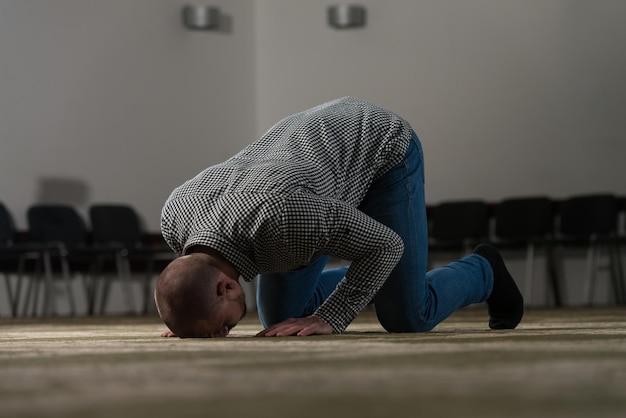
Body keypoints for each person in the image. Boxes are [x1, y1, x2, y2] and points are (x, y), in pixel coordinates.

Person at [154, 97, 523, 338]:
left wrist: (331, 317)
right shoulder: (175, 216)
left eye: (220, 329)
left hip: (380, 146)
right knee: (282, 319)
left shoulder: (286, 221)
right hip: (304, 175)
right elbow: (188, 287)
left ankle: (484, 270)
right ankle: (395, 280)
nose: (224, 335)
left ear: (227, 287)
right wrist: (189, 321)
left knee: (408, 315)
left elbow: (385, 245)